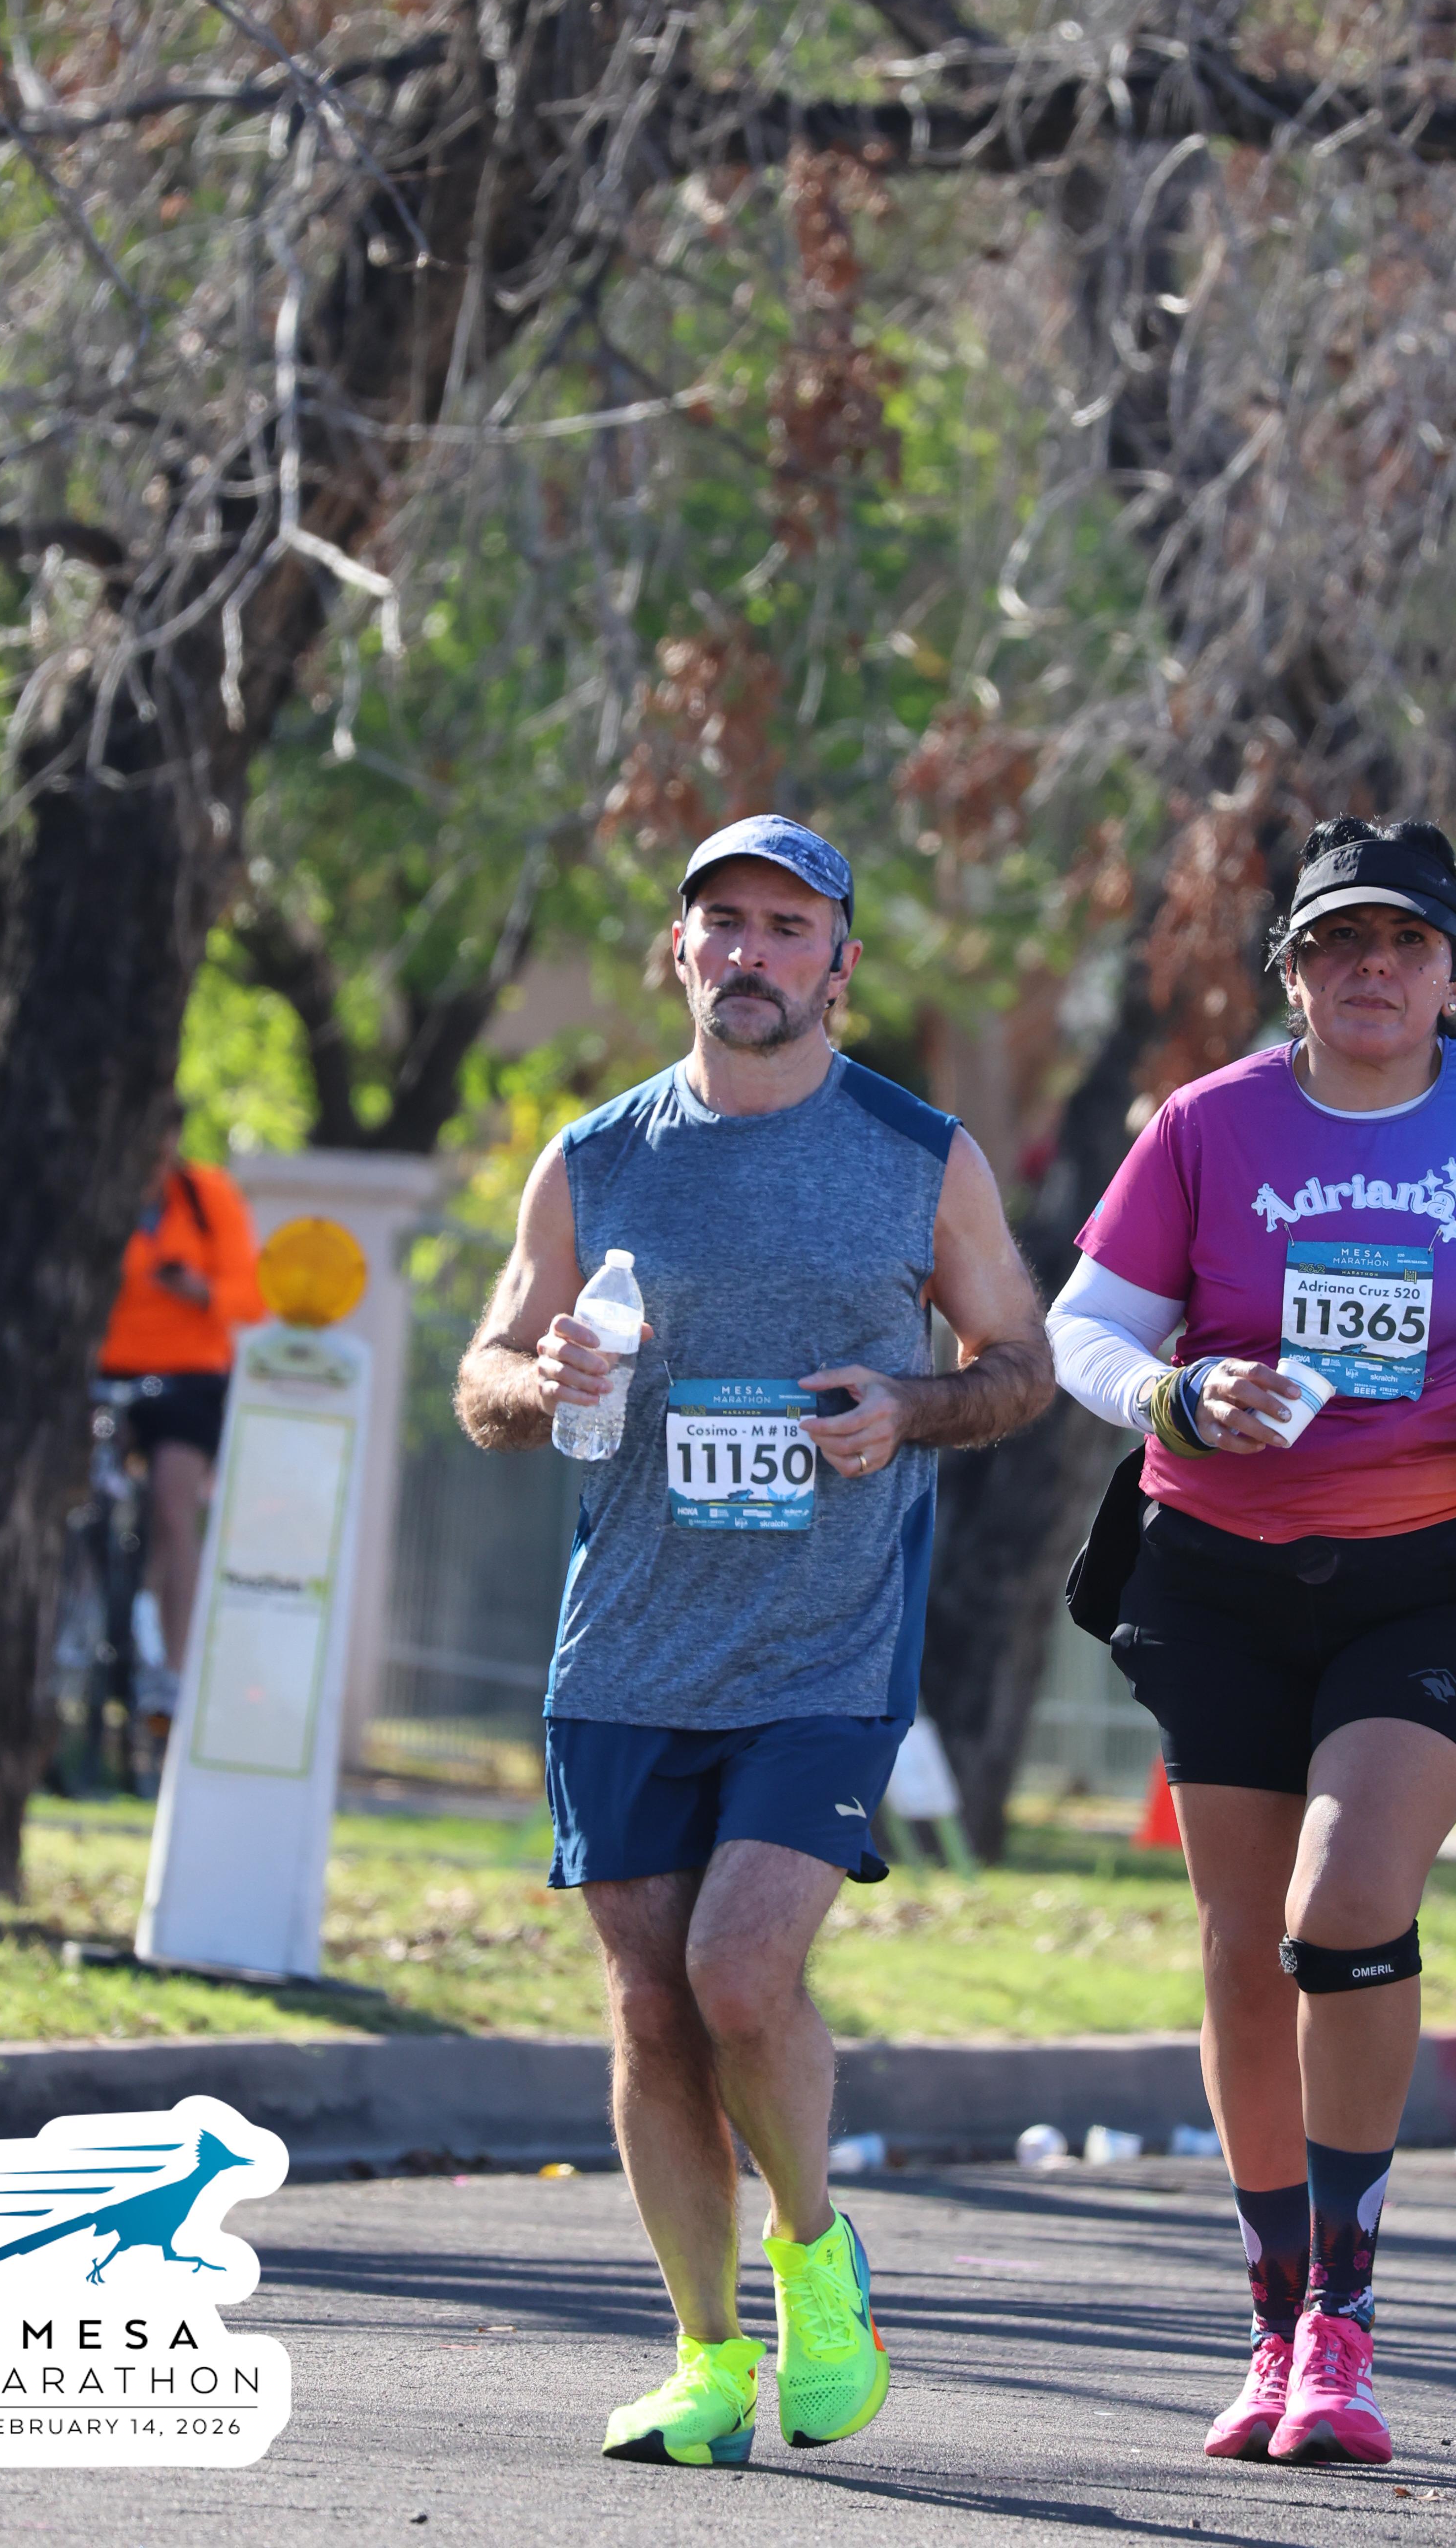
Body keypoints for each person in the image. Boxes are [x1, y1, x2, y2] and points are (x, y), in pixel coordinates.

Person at [1046, 818, 1456, 2470]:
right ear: (1294, 974)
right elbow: (1086, 1326)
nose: (1373, 970)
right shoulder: (1209, 1124)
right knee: (1241, 1952)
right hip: (1221, 1575)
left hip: (1439, 1572)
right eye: (1338, 943)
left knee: (1341, 1903)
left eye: (1407, 943)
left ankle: (1345, 2316)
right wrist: (1179, 1392)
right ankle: (1272, 2326)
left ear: (1454, 974)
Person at [455, 815, 1053, 2472]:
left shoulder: (918, 1153)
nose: (752, 953)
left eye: (789, 928)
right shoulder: (594, 1159)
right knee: (652, 2013)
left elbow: (1020, 1365)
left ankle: (815, 2257)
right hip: (626, 1656)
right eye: (723, 922)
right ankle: (707, 2359)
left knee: (737, 1973)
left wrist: (910, 1407)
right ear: (680, 950)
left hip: (822, 1655)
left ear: (840, 965)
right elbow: (487, 1378)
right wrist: (542, 1381)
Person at [96, 1100, 264, 1697]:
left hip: (189, 1378)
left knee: (173, 1506)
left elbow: (253, 1297)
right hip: (108, 1370)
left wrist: (200, 1292)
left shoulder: (205, 1196)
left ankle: (175, 1670)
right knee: (78, 1500)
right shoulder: (98, 1194)